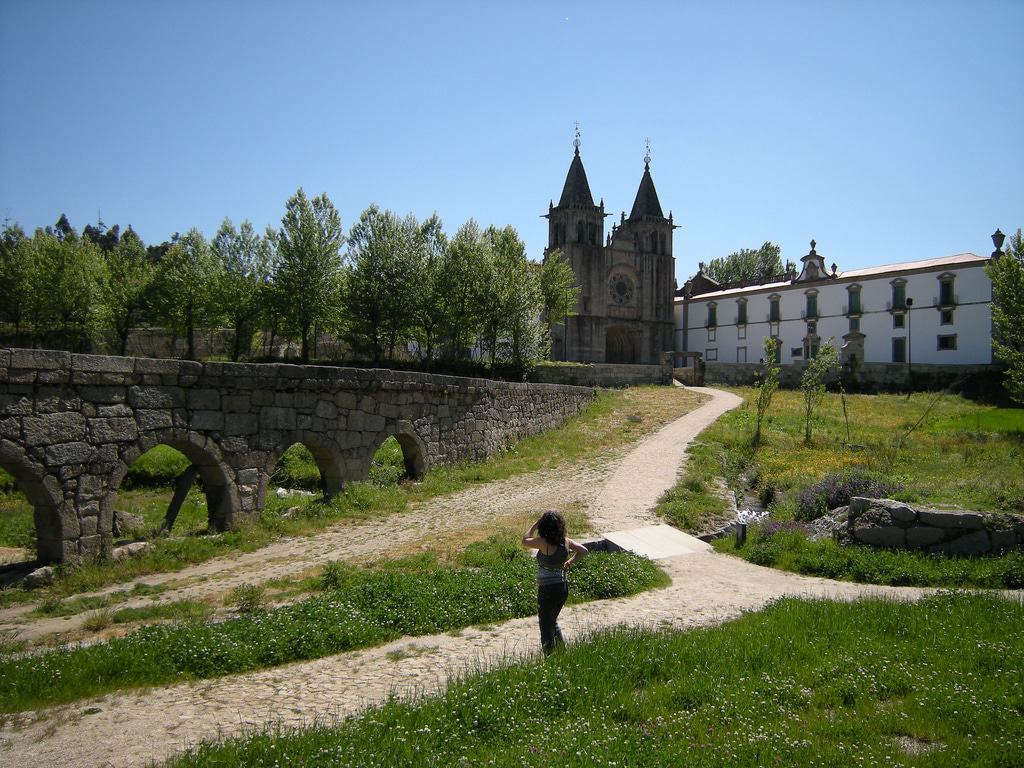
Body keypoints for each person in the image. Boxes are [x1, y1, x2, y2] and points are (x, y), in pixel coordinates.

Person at [522, 511, 588, 655]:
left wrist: (534, 525)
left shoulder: (543, 542)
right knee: (552, 622)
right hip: (562, 587)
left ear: (543, 526)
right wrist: (570, 561)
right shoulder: (565, 541)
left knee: (545, 626)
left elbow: (525, 540)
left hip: (547, 590)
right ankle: (562, 652)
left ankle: (549, 656)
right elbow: (584, 550)